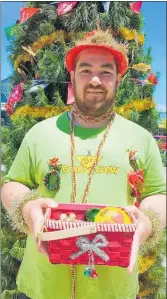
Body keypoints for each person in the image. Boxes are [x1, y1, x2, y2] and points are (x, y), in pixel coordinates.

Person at [1, 30, 166, 299]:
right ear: (73, 77)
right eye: (86, 70)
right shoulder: (41, 132)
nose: (96, 80)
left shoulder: (141, 138)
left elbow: (157, 194)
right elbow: (14, 184)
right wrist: (27, 206)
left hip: (112, 288)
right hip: (43, 284)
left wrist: (147, 222)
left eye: (106, 71)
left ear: (118, 79)